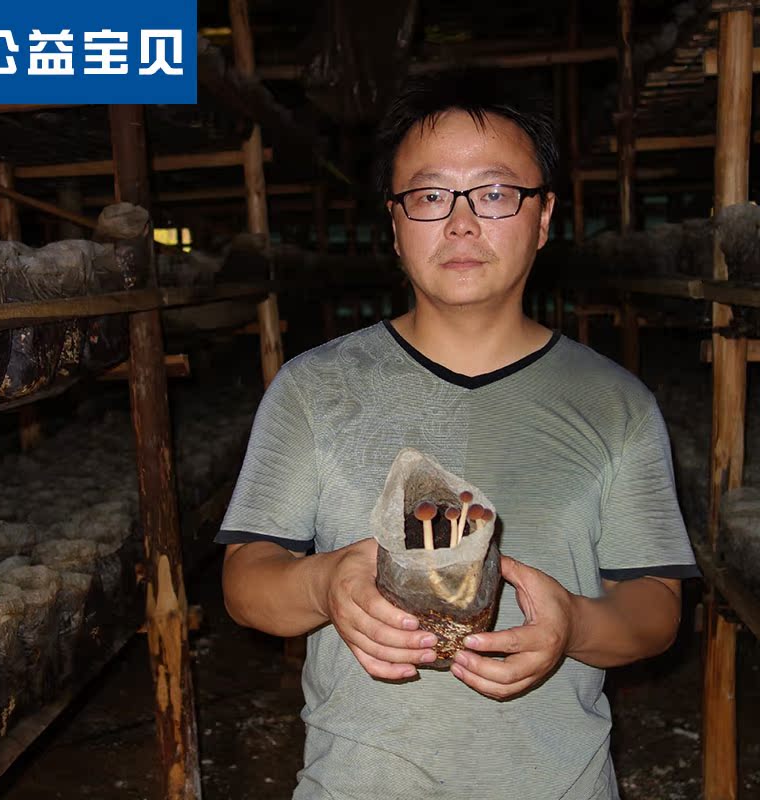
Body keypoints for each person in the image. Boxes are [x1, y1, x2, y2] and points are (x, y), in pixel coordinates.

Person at [217, 71, 698, 800]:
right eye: (430, 195)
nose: (462, 223)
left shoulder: (616, 404)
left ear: (543, 216)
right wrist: (323, 583)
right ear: (394, 222)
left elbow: (656, 607)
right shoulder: (314, 389)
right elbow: (246, 581)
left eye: (496, 193)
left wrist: (572, 626)